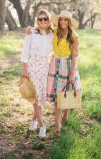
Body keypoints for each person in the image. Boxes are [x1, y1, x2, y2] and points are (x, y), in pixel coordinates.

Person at [46, 10, 81, 137]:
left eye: (66, 20)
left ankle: (66, 114)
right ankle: (57, 126)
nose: (63, 22)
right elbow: (41, 29)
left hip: (67, 65)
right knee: (57, 96)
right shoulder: (54, 32)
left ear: (69, 22)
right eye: (61, 19)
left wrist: (72, 75)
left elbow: (74, 58)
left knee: (66, 93)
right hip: (55, 64)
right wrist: (29, 30)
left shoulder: (74, 37)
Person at [21, 9, 53, 138]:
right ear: (37, 21)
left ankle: (34, 120)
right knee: (35, 96)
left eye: (45, 18)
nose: (43, 21)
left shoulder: (52, 34)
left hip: (44, 66)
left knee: (40, 95)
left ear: (49, 19)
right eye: (40, 19)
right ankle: (42, 126)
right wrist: (25, 68)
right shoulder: (31, 32)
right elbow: (25, 50)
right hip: (32, 65)